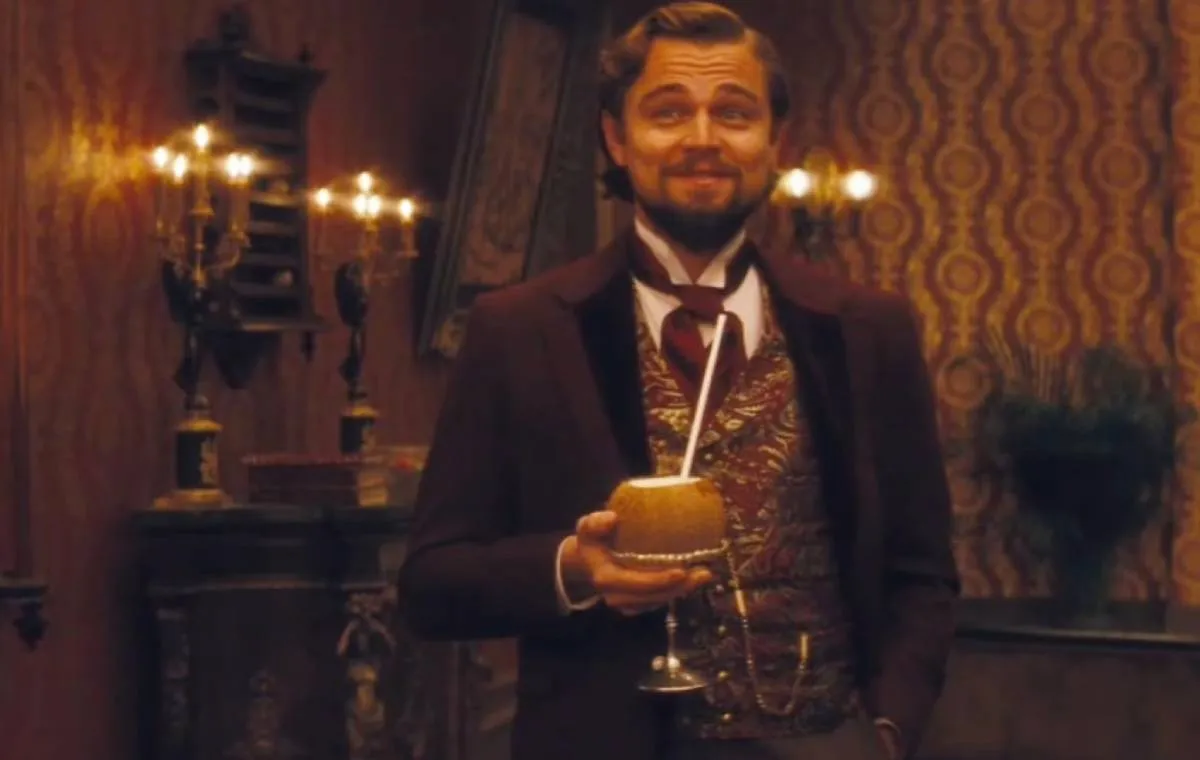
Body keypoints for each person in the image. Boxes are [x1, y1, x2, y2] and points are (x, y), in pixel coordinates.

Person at [398, 3, 959, 759]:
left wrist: (887, 731)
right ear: (616, 138)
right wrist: (573, 569)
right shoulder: (520, 327)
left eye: (734, 113)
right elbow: (431, 583)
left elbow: (922, 573)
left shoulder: (868, 326)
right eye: (668, 112)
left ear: (774, 140)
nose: (703, 138)